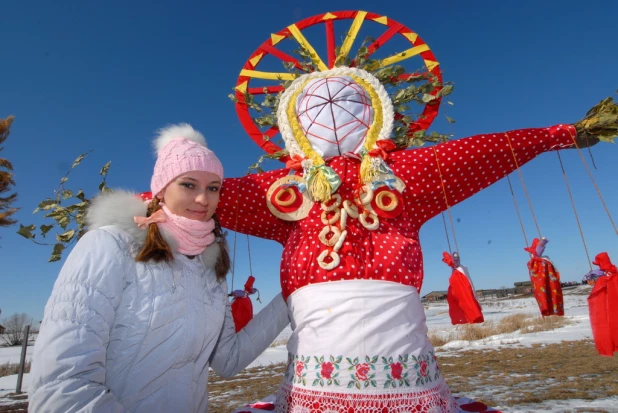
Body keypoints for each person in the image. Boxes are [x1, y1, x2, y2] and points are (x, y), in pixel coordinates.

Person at [213, 65, 605, 412]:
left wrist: (561, 135)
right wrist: (563, 134)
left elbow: (475, 154)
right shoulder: (380, 176)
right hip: (327, 389)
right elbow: (476, 153)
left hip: (385, 389)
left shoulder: (388, 175)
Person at [28, 124, 290, 413]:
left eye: (213, 188)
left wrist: (292, 295)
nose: (203, 199)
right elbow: (61, 385)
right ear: (161, 190)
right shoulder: (110, 246)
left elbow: (229, 360)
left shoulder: (209, 271)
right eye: (189, 185)